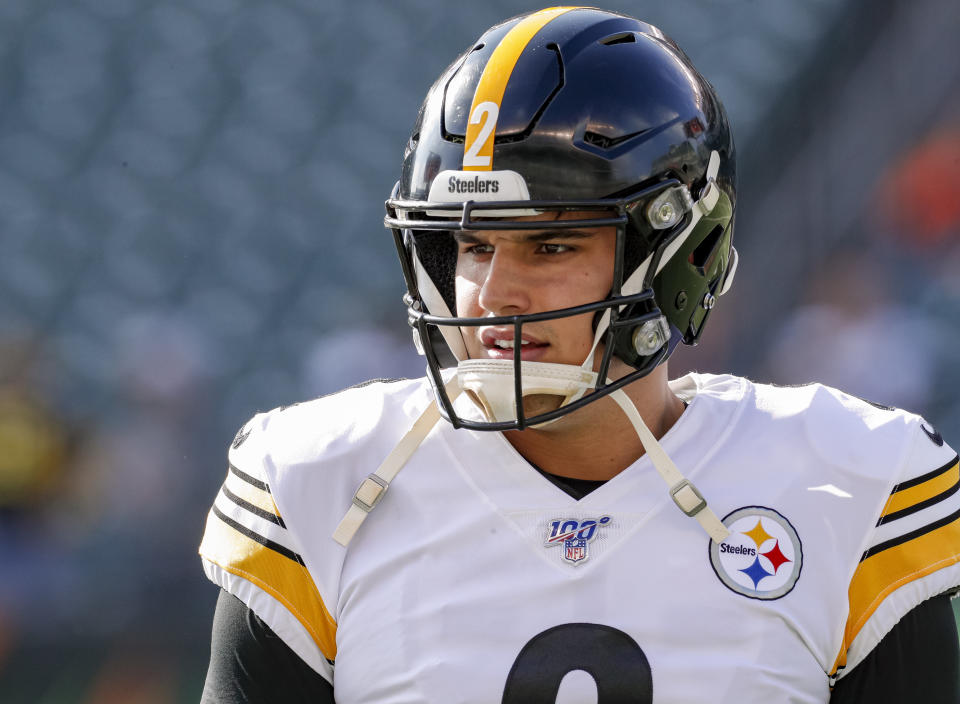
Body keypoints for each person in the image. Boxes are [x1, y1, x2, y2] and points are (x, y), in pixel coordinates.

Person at [198, 7, 960, 702]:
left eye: (550, 244)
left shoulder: (850, 489)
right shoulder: (320, 485)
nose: (494, 293)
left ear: (680, 251)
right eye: (474, 244)